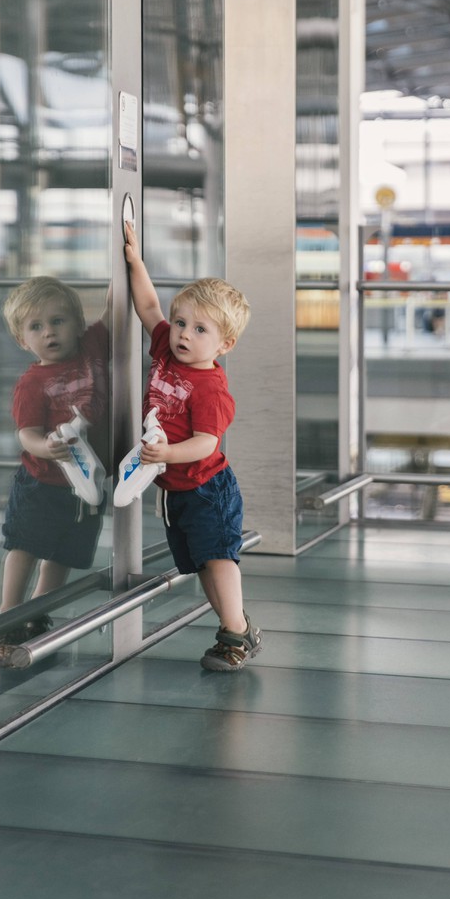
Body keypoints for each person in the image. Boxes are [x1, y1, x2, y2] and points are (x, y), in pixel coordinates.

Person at [123, 221, 259, 672]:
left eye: (200, 330)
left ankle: (237, 633)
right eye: (182, 322)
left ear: (225, 344)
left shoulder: (211, 389)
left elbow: (206, 443)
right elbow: (146, 306)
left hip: (206, 488)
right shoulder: (166, 350)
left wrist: (166, 456)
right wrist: (135, 261)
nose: (184, 333)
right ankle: (230, 626)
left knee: (218, 559)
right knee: (200, 565)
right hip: (176, 491)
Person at [0, 277, 108, 663]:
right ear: (23, 341)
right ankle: (9, 613)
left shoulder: (91, 349)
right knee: (25, 545)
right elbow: (28, 434)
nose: (49, 332)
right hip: (42, 483)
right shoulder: (31, 384)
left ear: (78, 324)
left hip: (84, 486)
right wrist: (47, 448)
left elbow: (115, 310)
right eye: (36, 327)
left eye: (58, 321)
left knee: (63, 554)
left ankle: (37, 613)